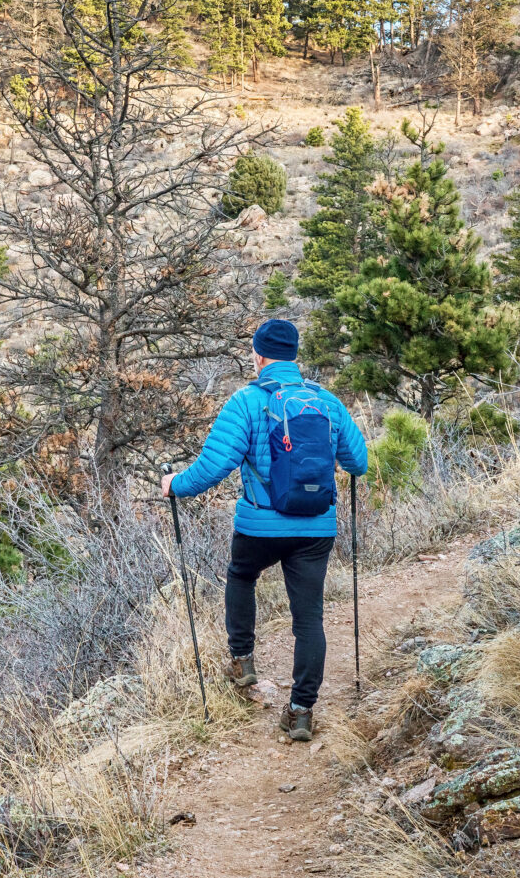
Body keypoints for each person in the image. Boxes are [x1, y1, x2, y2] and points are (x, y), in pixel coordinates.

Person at [160, 318, 367, 742]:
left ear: (259, 356)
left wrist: (174, 485)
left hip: (259, 527)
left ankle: (243, 661)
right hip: (316, 529)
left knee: (241, 575)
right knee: (308, 618)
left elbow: (213, 467)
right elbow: (358, 463)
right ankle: (301, 712)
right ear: (294, 354)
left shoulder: (247, 402)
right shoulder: (326, 401)